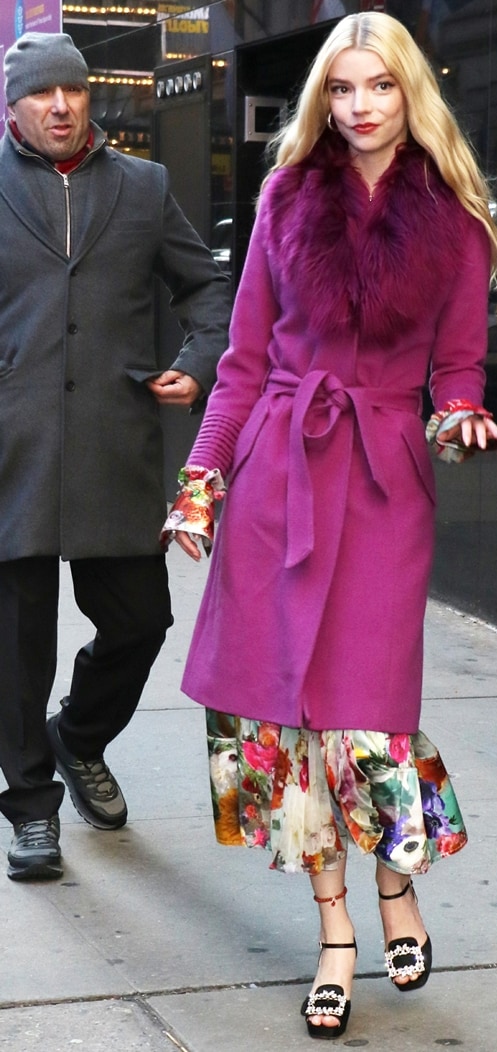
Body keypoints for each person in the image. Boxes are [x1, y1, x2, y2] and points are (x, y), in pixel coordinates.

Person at [162, 11, 497, 1041]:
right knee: (286, 721)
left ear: (412, 95)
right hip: (277, 470)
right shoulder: (284, 194)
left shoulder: (448, 215)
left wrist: (458, 420)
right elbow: (241, 360)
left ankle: (396, 881)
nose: (360, 105)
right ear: (324, 96)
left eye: (380, 87)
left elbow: (456, 369)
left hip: (381, 483)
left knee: (370, 715)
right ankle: (334, 935)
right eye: (344, 88)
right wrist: (200, 481)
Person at [0, 33, 230, 882]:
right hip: (10, 454)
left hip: (112, 445)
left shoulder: (143, 186)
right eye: (41, 95)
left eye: (73, 91)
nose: (60, 106)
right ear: (15, 106)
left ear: (90, 99)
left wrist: (200, 365)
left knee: (140, 622)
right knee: (17, 648)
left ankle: (80, 738)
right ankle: (30, 811)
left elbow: (207, 289)